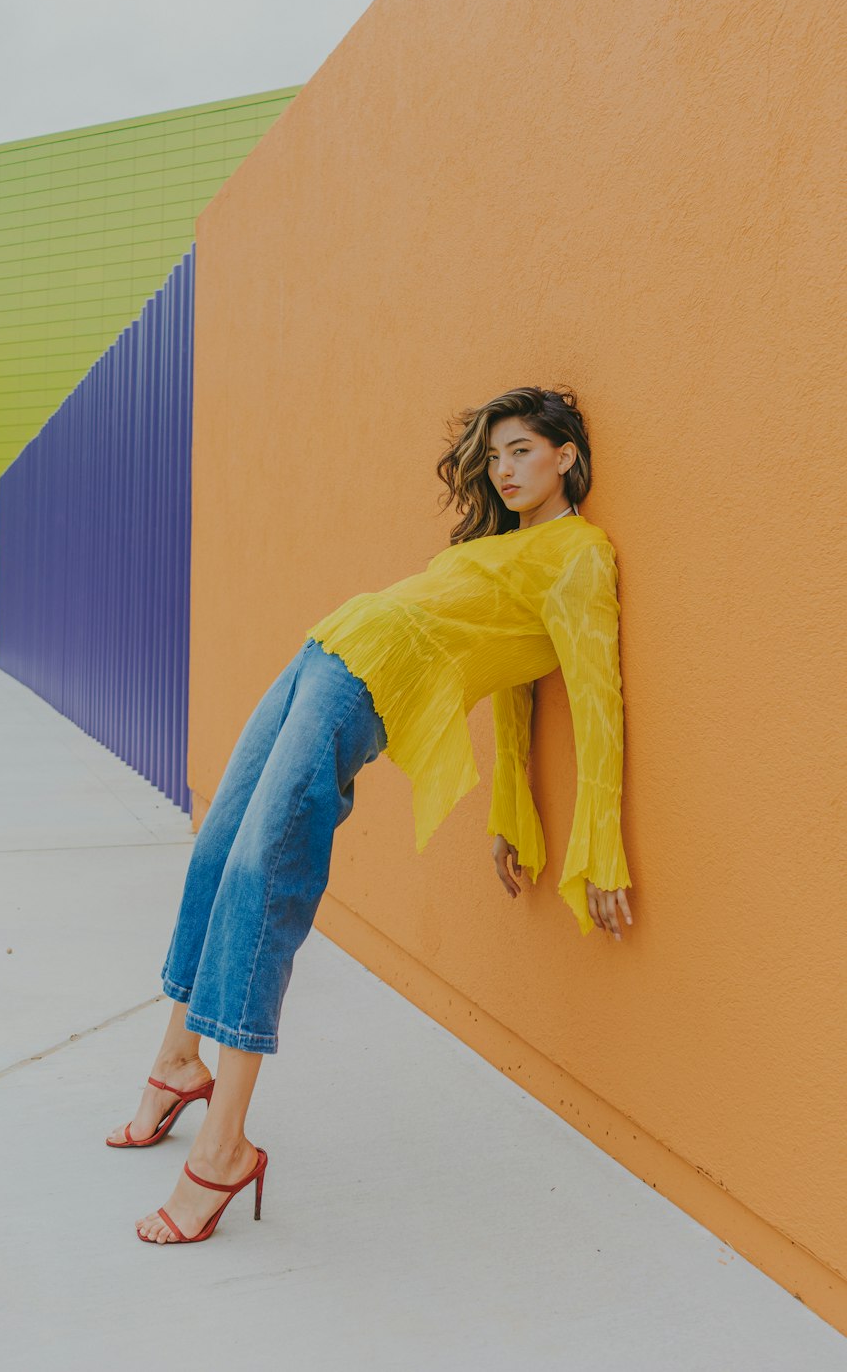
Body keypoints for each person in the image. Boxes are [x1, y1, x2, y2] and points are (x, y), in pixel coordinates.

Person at [106, 385, 635, 1245]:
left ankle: (226, 1146)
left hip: (362, 687)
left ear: (567, 454)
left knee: (262, 873)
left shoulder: (580, 556)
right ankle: (176, 1060)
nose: (503, 470)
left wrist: (587, 838)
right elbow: (511, 689)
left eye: (523, 451)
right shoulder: (503, 545)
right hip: (324, 650)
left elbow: (590, 696)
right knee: (219, 849)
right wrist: (514, 807)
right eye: (494, 456)